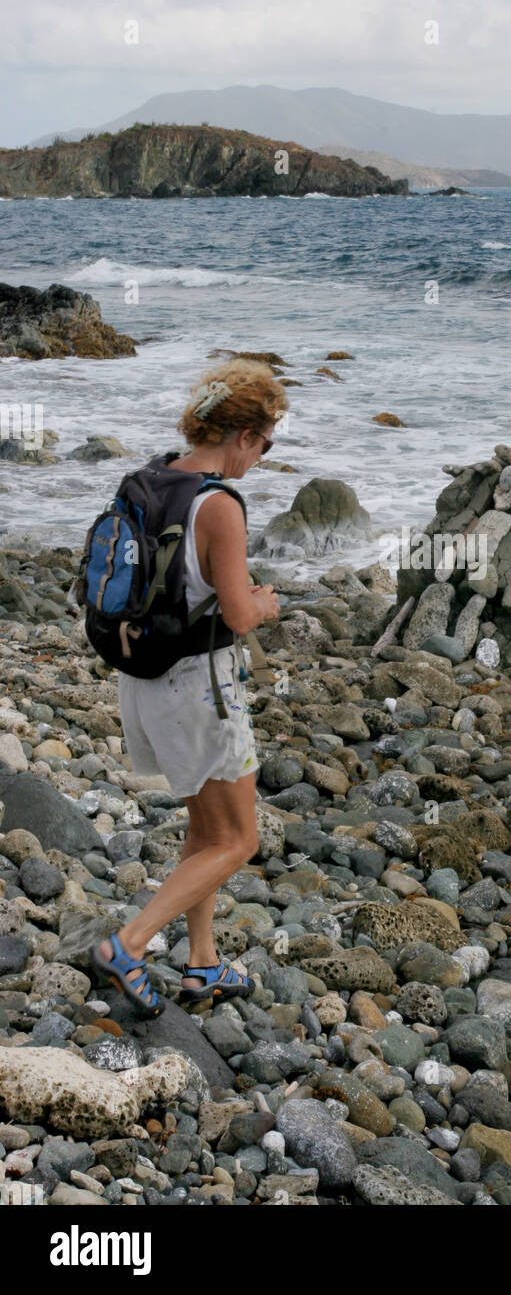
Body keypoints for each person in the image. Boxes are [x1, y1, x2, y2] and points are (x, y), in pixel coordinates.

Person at [91, 359, 287, 1013]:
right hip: (200, 688)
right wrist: (266, 602)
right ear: (244, 435)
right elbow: (236, 614)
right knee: (239, 841)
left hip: (141, 678)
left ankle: (203, 963)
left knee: (206, 830)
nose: (260, 458)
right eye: (264, 443)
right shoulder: (220, 506)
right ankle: (130, 942)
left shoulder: (153, 476)